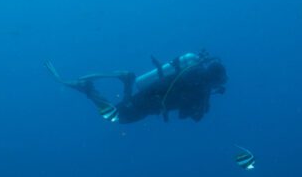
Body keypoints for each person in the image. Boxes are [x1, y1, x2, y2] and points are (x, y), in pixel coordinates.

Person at [46, 51, 227, 123]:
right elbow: (191, 115)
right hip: (149, 102)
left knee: (120, 114)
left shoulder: (194, 76)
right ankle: (88, 88)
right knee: (118, 117)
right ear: (214, 79)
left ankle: (126, 80)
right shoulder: (201, 88)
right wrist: (203, 103)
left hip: (150, 98)